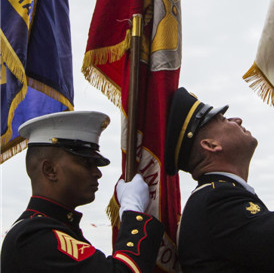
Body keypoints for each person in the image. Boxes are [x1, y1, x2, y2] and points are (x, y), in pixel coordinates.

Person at [164, 87, 274, 273]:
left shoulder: (216, 197)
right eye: (223, 120)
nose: (237, 120)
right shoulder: (217, 202)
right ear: (211, 145)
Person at [1, 111, 164, 273]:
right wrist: (133, 212)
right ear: (50, 170)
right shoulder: (34, 237)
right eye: (86, 163)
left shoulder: (54, 230)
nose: (97, 173)